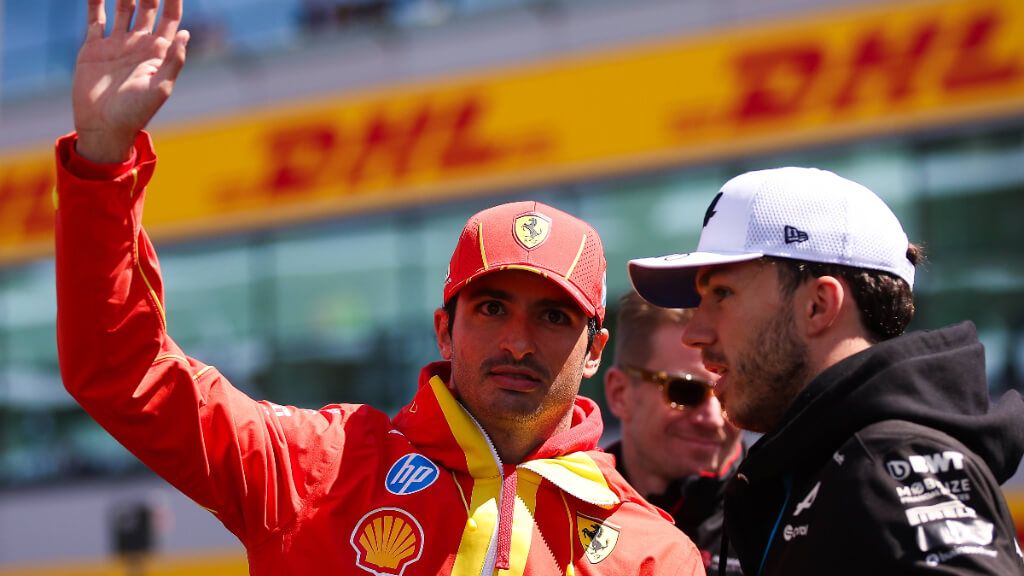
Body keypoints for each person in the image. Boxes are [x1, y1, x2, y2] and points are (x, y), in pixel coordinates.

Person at [54, 0, 704, 574]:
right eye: (491, 307)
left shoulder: (653, 552)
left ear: (596, 351)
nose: (517, 341)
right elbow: (123, 370)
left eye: (554, 318)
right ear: (444, 329)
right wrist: (104, 158)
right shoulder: (313, 468)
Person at [627, 166, 1024, 575]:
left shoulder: (884, 465)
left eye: (722, 294)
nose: (694, 333)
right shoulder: (830, 465)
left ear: (818, 305)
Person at [603, 290, 744, 574]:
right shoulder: (563, 509)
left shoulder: (787, 511)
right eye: (685, 391)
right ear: (620, 394)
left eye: (731, 390)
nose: (714, 418)